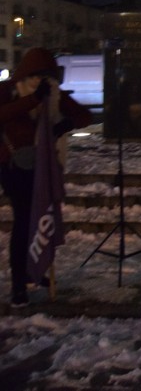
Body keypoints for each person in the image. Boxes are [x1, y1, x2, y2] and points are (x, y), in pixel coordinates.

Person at [0, 48, 92, 307]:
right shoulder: (9, 90)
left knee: (42, 217)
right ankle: (19, 284)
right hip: (14, 167)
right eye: (37, 74)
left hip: (44, 168)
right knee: (23, 223)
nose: (42, 80)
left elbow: (84, 115)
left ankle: (36, 270)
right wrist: (32, 101)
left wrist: (66, 124)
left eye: (47, 75)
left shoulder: (53, 93)